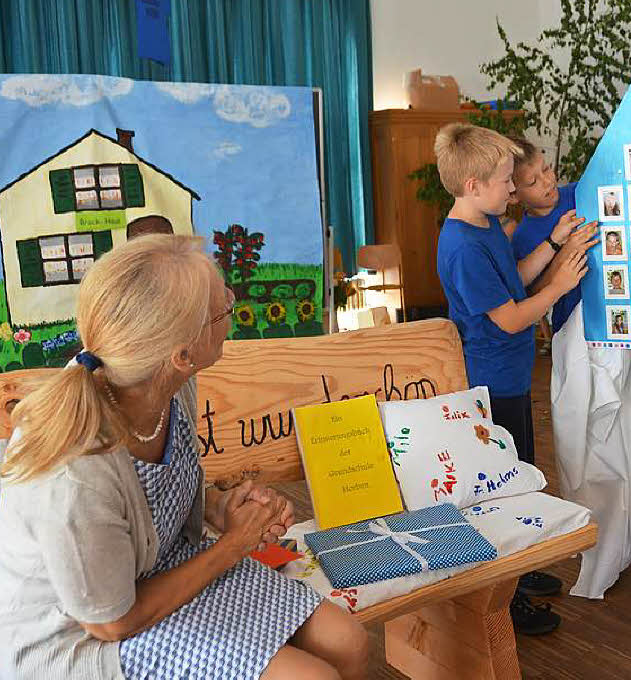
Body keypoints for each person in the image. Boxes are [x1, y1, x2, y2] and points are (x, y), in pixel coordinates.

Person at [0, 235, 369, 680]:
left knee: (348, 641)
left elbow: (154, 496)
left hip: (164, 567)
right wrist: (235, 544)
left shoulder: (167, 381)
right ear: (181, 353)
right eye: (222, 307)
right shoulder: (76, 473)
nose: (232, 303)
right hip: (81, 634)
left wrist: (218, 505)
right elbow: (111, 622)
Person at [436, 124, 587, 635]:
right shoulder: (461, 246)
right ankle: (506, 600)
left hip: (510, 379)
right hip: (489, 387)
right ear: (474, 184)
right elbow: (509, 317)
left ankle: (519, 576)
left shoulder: (485, 226)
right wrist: (561, 283)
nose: (512, 189)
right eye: (505, 181)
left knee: (520, 478)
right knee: (501, 491)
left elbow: (516, 277)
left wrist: (553, 243)